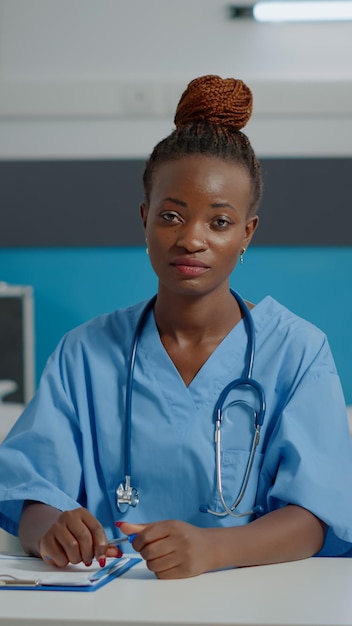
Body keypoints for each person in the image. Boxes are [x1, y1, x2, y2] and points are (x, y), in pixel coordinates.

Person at [1, 75, 352, 580]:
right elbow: (29, 494)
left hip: (250, 599)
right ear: (144, 219)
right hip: (109, 602)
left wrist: (214, 549)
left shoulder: (297, 351)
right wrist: (52, 531)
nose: (192, 239)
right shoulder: (84, 352)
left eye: (220, 221)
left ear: (247, 233)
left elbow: (316, 516)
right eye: (171, 215)